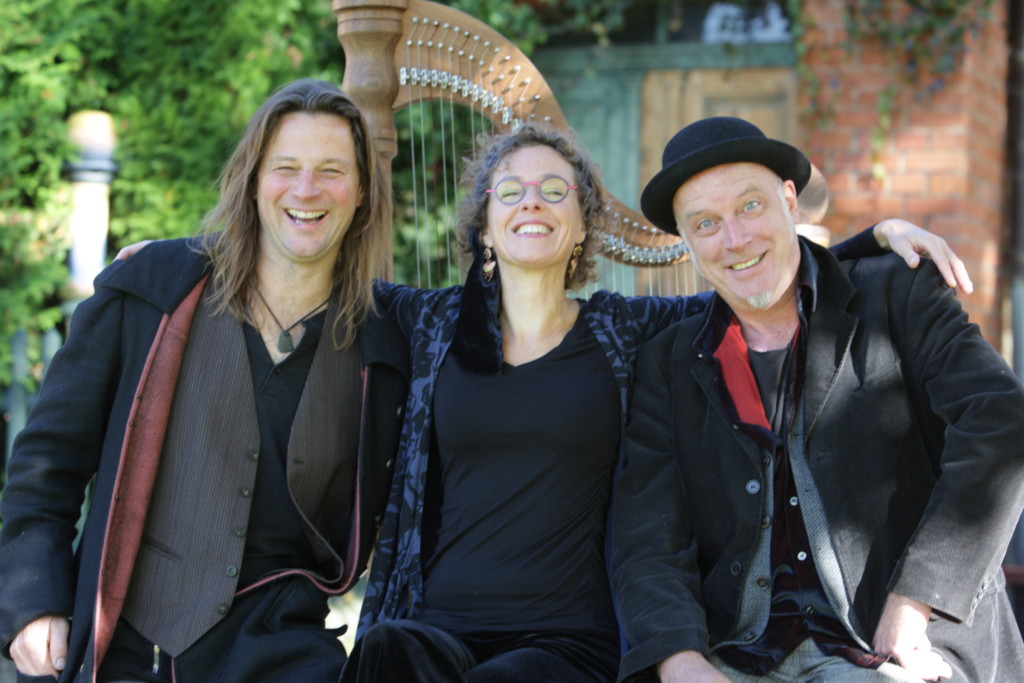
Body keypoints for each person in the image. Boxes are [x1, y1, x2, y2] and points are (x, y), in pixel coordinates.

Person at [337, 122, 973, 682]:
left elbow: (752, 276)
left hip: (565, 640)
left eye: (554, 190)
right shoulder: (430, 323)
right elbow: (327, 278)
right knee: (384, 653)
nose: (532, 201)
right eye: (510, 191)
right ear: (484, 225)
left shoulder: (628, 330)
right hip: (439, 624)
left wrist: (871, 241)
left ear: (582, 224)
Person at [0, 79, 408, 682]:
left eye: (331, 170)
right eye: (285, 168)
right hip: (134, 648)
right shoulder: (152, 290)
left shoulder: (387, 339)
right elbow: (48, 460)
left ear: (363, 192)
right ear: (252, 180)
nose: (306, 189)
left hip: (286, 651)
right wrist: (34, 599)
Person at [611, 116, 1024, 682]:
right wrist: (680, 661)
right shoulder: (668, 360)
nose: (735, 239)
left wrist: (916, 598)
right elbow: (647, 534)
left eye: (750, 206)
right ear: (686, 242)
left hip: (891, 643)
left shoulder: (898, 294)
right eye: (706, 223)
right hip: (737, 654)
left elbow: (1002, 424)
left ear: (790, 202)